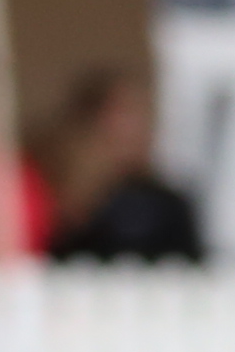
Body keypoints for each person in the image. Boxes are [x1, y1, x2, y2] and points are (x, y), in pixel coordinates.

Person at [41, 62, 208, 265]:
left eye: (140, 112)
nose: (135, 124)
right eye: (122, 112)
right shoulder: (60, 192)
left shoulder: (167, 202)